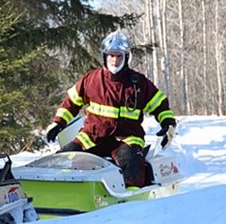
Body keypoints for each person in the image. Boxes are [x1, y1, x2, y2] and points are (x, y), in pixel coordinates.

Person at [45, 30, 177, 188]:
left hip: (126, 139)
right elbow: (71, 102)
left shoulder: (139, 84)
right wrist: (58, 123)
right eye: (111, 55)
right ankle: (58, 193)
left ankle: (131, 203)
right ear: (104, 56)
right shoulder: (91, 80)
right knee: (62, 160)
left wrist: (168, 123)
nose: (115, 60)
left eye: (119, 55)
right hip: (92, 137)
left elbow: (159, 104)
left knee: (132, 164)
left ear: (127, 57)